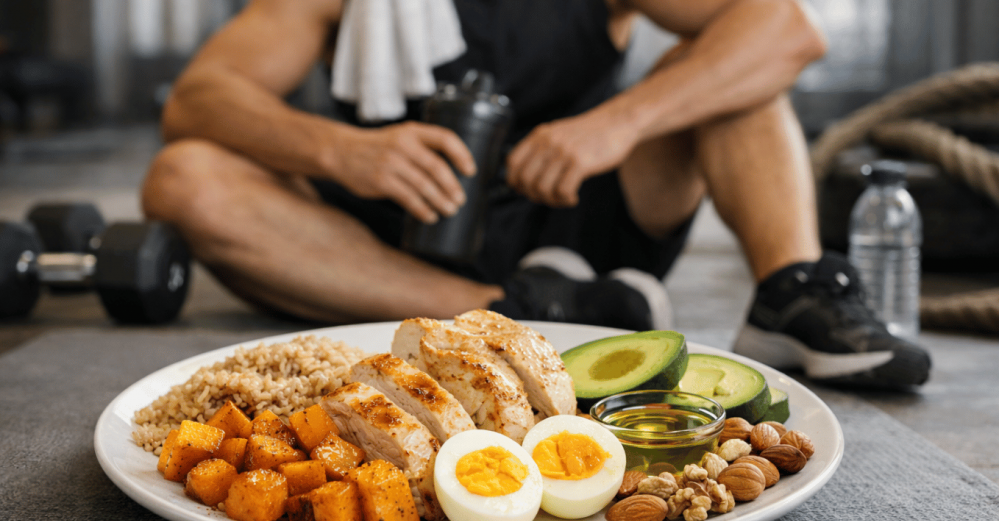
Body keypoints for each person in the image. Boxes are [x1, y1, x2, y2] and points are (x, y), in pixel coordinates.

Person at [140, 0, 930, 389]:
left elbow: (787, 29)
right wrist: (339, 149)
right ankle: (508, 313)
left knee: (734, 68)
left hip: (589, 218)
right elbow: (199, 96)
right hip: (398, 251)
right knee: (184, 176)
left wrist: (617, 124)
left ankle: (790, 293)